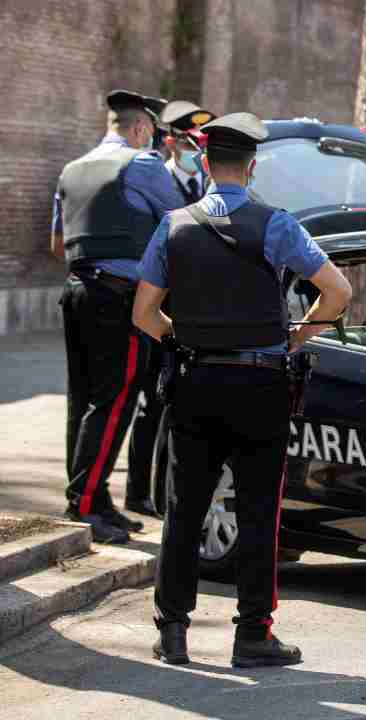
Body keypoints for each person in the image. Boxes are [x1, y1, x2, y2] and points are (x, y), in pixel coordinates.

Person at [133, 112, 352, 667]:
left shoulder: (173, 225)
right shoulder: (276, 225)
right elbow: (338, 291)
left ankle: (174, 632)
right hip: (261, 384)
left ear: (204, 164)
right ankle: (253, 635)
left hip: (196, 380)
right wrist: (296, 338)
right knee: (259, 510)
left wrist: (183, 337)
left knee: (185, 510)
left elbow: (143, 313)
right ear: (251, 168)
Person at [51, 89, 182, 543]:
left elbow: (57, 244)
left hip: (75, 291)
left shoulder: (71, 170)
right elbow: (180, 224)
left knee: (82, 400)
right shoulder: (142, 164)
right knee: (113, 401)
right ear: (142, 129)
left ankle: (92, 496)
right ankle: (84, 504)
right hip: (119, 297)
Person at [124, 100, 219, 518]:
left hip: (192, 312)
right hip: (158, 309)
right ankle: (136, 491)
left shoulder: (204, 186)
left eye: (201, 144)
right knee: (149, 401)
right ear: (170, 141)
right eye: (188, 142)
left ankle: (170, 491)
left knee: (179, 403)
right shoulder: (155, 181)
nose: (196, 151)